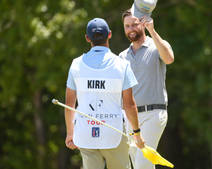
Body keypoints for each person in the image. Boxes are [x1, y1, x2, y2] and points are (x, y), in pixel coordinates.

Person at [64, 18, 144, 169]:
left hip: (86, 133)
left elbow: (69, 104)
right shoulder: (122, 65)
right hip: (114, 132)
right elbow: (129, 104)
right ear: (110, 35)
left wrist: (70, 133)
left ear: (87, 38)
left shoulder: (76, 65)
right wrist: (137, 133)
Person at [119, 6, 174, 169]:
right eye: (127, 26)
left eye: (134, 24)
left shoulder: (156, 45)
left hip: (154, 114)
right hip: (130, 118)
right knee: (137, 165)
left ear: (143, 24)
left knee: (143, 164)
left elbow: (169, 58)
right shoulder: (122, 56)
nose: (130, 29)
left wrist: (152, 30)